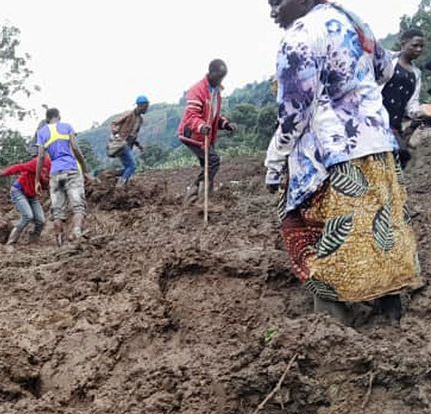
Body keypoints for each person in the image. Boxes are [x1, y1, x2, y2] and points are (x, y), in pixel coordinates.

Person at [266, 0, 423, 324]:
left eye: (276, 1)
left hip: (332, 154)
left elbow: (295, 112)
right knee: (380, 230)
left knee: (313, 233)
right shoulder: (353, 22)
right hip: (378, 145)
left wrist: (276, 156)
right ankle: (389, 314)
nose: (273, 12)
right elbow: (385, 69)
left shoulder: (299, 36)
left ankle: (332, 328)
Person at [177, 60, 237, 201]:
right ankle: (198, 194)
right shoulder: (197, 90)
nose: (220, 80)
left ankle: (198, 196)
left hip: (204, 134)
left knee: (207, 165)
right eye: (219, 76)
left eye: (223, 77)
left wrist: (225, 124)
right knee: (213, 160)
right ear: (211, 73)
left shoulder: (216, 92)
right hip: (192, 135)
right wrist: (201, 126)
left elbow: (213, 115)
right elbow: (191, 116)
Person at [35, 108, 93, 245]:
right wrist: (84, 169)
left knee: (57, 211)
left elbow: (41, 157)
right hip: (71, 170)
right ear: (59, 116)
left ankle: (60, 243)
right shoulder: (67, 127)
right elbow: (75, 147)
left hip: (55, 174)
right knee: (78, 206)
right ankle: (77, 232)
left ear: (47, 119)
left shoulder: (42, 132)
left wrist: (37, 180)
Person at [382, 29, 428, 169]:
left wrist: (421, 112)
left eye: (421, 46)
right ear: (403, 43)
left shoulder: (416, 74)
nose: (418, 49)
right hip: (377, 122)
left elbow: (411, 105)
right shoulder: (387, 61)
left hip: (395, 125)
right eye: (414, 45)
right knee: (400, 154)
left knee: (399, 160)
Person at [0, 147, 51, 250]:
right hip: (19, 191)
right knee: (28, 215)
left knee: (41, 220)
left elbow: (47, 185)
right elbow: (19, 167)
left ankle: (33, 242)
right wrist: (3, 172)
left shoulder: (56, 168)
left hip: (32, 195)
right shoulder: (39, 162)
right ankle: (10, 243)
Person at [109, 96, 150, 187]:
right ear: (141, 105)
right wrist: (116, 135)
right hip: (121, 144)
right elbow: (114, 123)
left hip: (128, 145)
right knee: (132, 166)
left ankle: (109, 175)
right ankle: (120, 185)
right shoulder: (129, 114)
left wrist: (138, 144)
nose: (147, 108)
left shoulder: (140, 119)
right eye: (146, 106)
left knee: (128, 167)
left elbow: (133, 135)